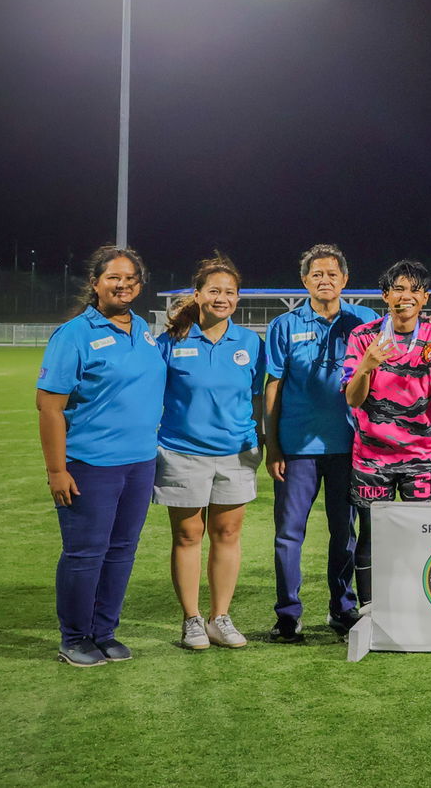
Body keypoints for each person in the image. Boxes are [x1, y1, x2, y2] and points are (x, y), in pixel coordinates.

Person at [37, 246, 166, 667]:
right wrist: (57, 469)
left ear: (140, 286)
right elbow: (49, 406)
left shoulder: (144, 328)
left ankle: (104, 632)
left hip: (140, 463)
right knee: (85, 553)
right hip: (90, 465)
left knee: (122, 550)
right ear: (95, 283)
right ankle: (74, 637)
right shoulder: (73, 334)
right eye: (113, 277)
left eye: (131, 279)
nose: (122, 285)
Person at [262, 243, 374, 643]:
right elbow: (272, 385)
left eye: (332, 274)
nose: (324, 280)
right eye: (316, 274)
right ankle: (288, 615)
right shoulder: (283, 326)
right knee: (289, 533)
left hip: (349, 445)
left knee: (344, 532)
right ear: (304, 280)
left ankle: (341, 609)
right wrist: (271, 444)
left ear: (345, 279)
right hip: (296, 448)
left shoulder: (366, 320)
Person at [154, 254, 266, 650]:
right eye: (214, 290)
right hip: (181, 452)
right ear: (198, 294)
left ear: (238, 299)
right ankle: (192, 621)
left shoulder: (251, 342)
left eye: (229, 292)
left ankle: (220, 617)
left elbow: (256, 398)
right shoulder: (170, 342)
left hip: (236, 453)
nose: (222, 298)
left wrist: (258, 440)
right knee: (188, 535)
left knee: (227, 533)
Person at [343, 259, 431, 603]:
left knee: (422, 535)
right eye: (399, 289)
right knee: (372, 535)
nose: (406, 296)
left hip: (423, 456)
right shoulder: (363, 336)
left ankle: (419, 605)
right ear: (385, 295)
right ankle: (370, 610)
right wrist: (366, 367)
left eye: (415, 290)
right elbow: (353, 398)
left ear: (425, 299)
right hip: (373, 459)